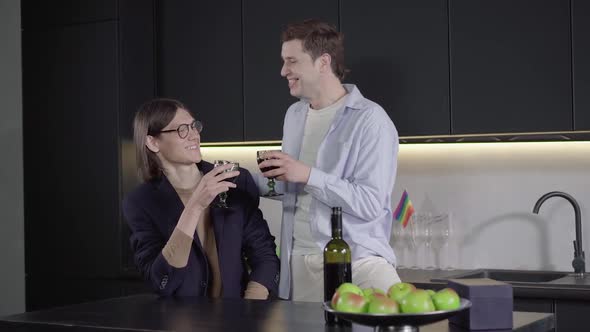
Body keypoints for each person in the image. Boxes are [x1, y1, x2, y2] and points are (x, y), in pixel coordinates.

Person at [257, 19, 401, 301]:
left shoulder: (371, 120)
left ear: (323, 62)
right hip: (298, 266)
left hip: (359, 264)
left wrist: (307, 174)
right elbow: (295, 188)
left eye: (292, 61)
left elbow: (371, 203)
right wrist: (246, 181)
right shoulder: (294, 116)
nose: (283, 71)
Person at [123, 98, 279, 299]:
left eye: (194, 126)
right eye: (182, 130)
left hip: (238, 317)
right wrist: (195, 205)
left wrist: (248, 308)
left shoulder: (235, 180)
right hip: (180, 322)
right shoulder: (140, 202)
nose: (194, 135)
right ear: (153, 142)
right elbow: (161, 280)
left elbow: (264, 255)